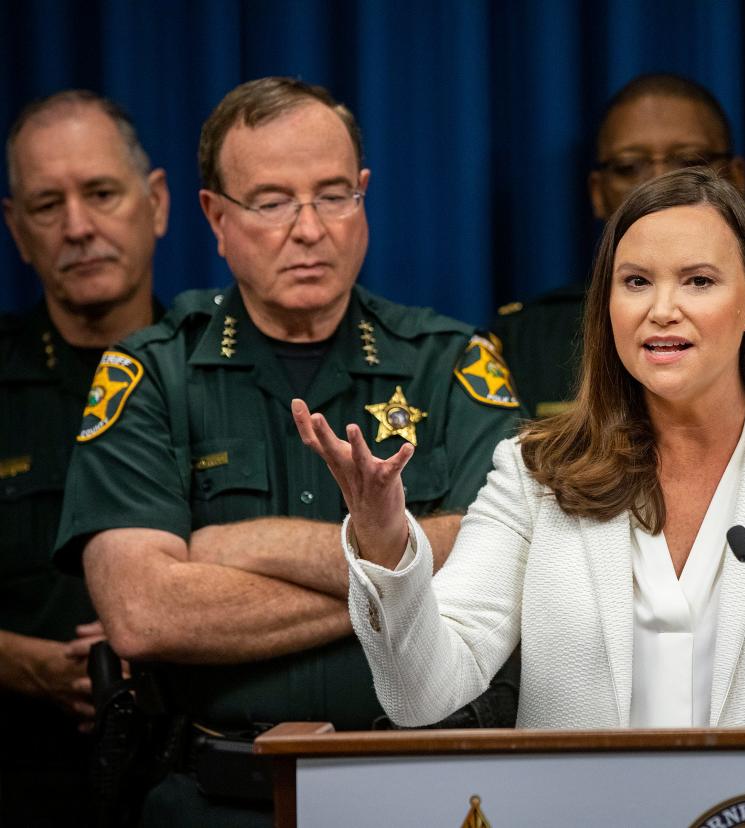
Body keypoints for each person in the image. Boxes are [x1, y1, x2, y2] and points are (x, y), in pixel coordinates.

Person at [297, 167, 745, 730]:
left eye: (699, 281)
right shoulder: (535, 472)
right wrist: (384, 541)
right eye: (636, 282)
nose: (662, 309)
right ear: (607, 307)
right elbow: (422, 696)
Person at [51, 77, 522, 826]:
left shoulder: (452, 362)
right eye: (271, 202)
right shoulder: (150, 374)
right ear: (215, 217)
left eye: (334, 195)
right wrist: (400, 582)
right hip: (219, 800)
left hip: (429, 794)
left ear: (364, 196)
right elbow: (144, 613)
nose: (310, 228)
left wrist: (239, 547)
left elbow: (505, 562)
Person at [490, 73, 745, 435]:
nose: (660, 182)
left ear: (737, 178)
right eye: (630, 165)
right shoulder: (522, 339)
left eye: (690, 162)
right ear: (597, 192)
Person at [0, 90, 168, 827]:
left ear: (156, 203)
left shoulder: (226, 370)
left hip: (192, 776)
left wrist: (173, 634)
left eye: (101, 193)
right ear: (17, 229)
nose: (78, 227)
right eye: (47, 205)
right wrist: (17, 661)